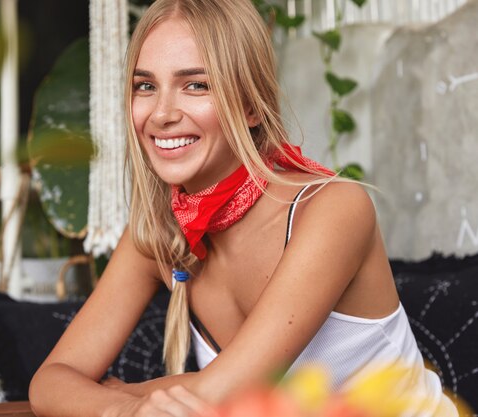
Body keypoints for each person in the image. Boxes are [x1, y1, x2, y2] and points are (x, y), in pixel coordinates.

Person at [29, 0, 457, 416]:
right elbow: (49, 382)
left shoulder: (334, 209)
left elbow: (228, 393)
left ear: (251, 105)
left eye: (196, 84)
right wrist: (120, 410)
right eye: (145, 85)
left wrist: (118, 395)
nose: (161, 113)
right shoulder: (158, 234)